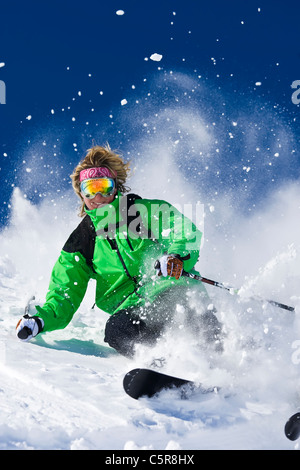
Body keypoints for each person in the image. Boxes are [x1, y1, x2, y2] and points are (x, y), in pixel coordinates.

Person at [16, 145, 222, 357]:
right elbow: (64, 294)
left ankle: (222, 352)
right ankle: (165, 365)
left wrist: (175, 256)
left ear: (115, 188)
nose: (98, 196)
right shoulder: (82, 242)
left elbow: (183, 230)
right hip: (134, 308)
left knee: (185, 313)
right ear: (81, 193)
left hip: (169, 289)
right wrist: (41, 321)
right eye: (90, 188)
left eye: (104, 187)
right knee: (117, 329)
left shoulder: (141, 212)